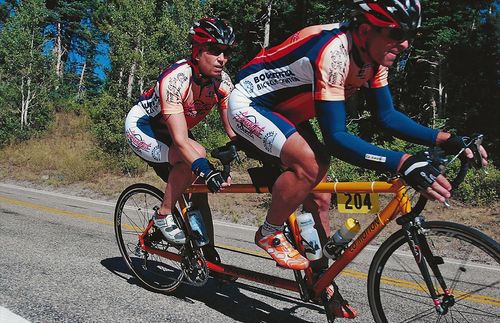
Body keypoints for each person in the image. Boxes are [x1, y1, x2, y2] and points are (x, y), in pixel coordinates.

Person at [228, 0, 487, 316]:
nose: (404, 44)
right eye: (396, 33)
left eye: (410, 35)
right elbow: (337, 139)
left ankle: (320, 279)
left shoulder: (374, 57)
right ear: (366, 30)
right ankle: (269, 231)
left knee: (320, 199)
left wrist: (446, 139)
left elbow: (387, 116)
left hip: (286, 113)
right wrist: (403, 162)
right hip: (250, 104)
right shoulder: (333, 52)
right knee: (313, 164)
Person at [124, 17, 236, 260]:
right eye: (215, 50)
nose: (222, 58)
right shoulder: (176, 79)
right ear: (196, 52)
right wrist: (207, 169)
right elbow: (182, 142)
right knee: (192, 159)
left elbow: (234, 130)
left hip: (176, 129)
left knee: (198, 192)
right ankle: (164, 214)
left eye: (226, 53)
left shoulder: (222, 83)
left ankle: (207, 254)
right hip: (145, 127)